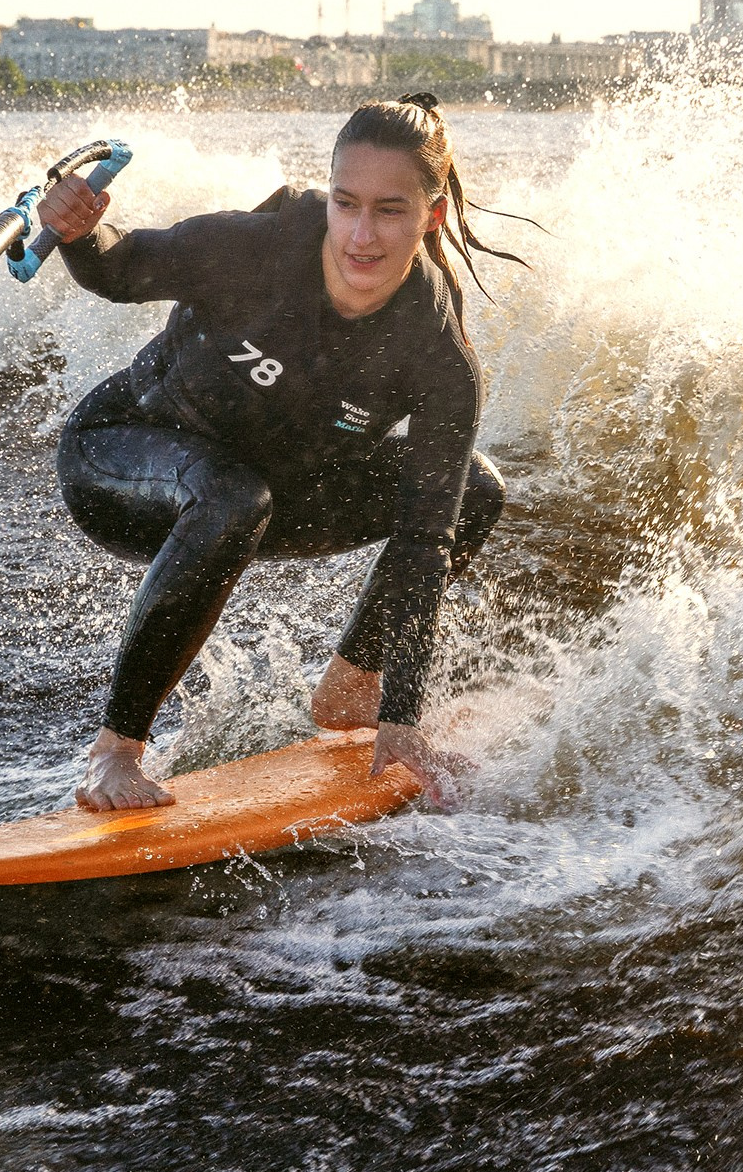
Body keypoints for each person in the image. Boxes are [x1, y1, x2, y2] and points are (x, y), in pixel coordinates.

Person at [36, 94, 524, 813]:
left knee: (473, 490)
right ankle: (114, 752)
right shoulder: (260, 246)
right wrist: (80, 232)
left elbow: (426, 538)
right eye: (346, 203)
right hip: (122, 458)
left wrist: (403, 715)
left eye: (390, 210)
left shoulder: (436, 353)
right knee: (232, 495)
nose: (362, 234)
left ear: (432, 217)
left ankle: (351, 690)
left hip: (266, 494)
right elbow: (122, 267)